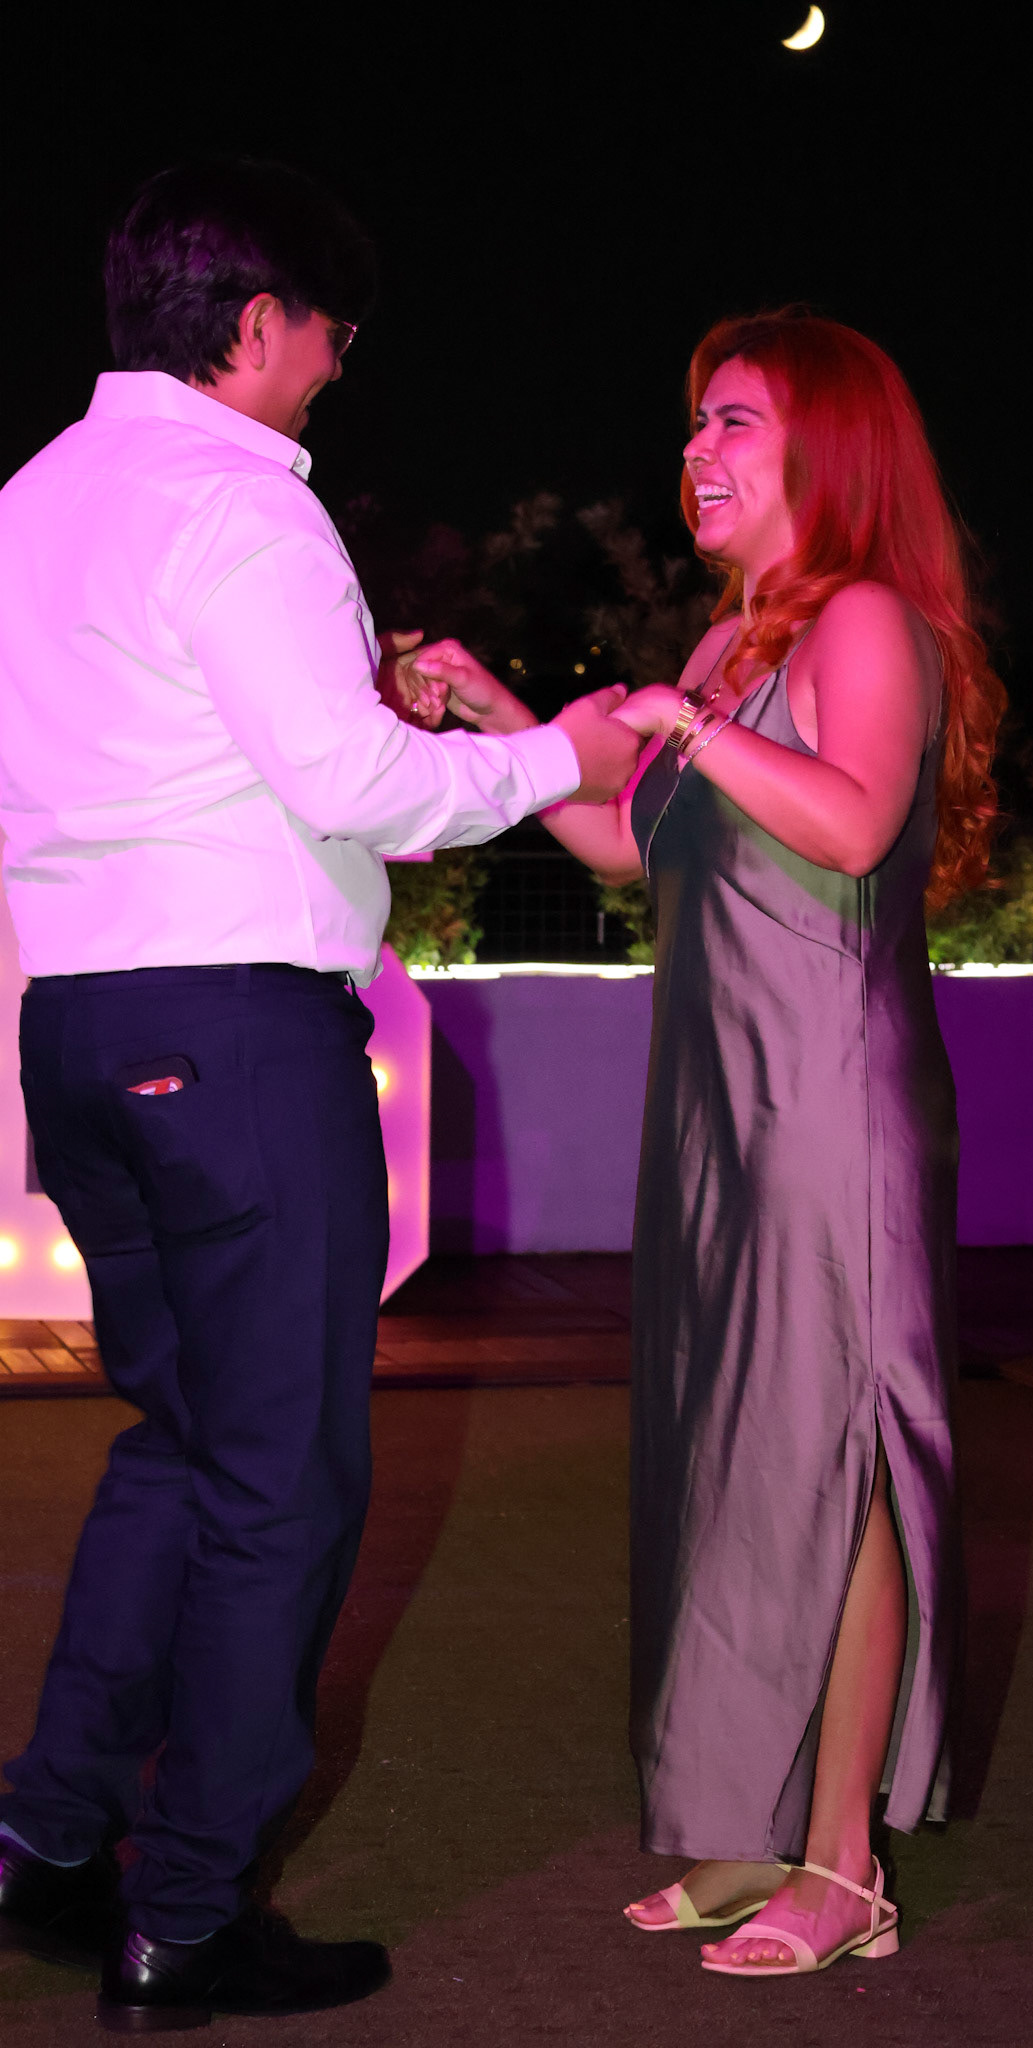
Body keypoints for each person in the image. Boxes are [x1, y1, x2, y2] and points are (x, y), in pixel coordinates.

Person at [0, 158, 638, 2031]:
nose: (340, 371)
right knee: (278, 1485)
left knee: (180, 1447)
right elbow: (351, 789)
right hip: (233, 1040)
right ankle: (185, 1915)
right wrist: (559, 752)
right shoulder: (246, 503)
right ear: (262, 321)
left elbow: (184, 753)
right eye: (335, 335)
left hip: (78, 1023)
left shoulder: (36, 494)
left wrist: (365, 736)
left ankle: (47, 1840)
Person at [409, 309, 1005, 1978]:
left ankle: (844, 1861)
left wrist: (687, 723)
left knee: (841, 1459)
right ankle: (757, 1821)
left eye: (732, 420)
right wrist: (499, 714)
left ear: (828, 446)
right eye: (693, 422)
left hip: (827, 1106)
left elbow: (853, 820)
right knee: (738, 1453)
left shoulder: (863, 618)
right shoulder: (741, 637)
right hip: (717, 1111)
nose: (696, 451)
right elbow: (628, 843)